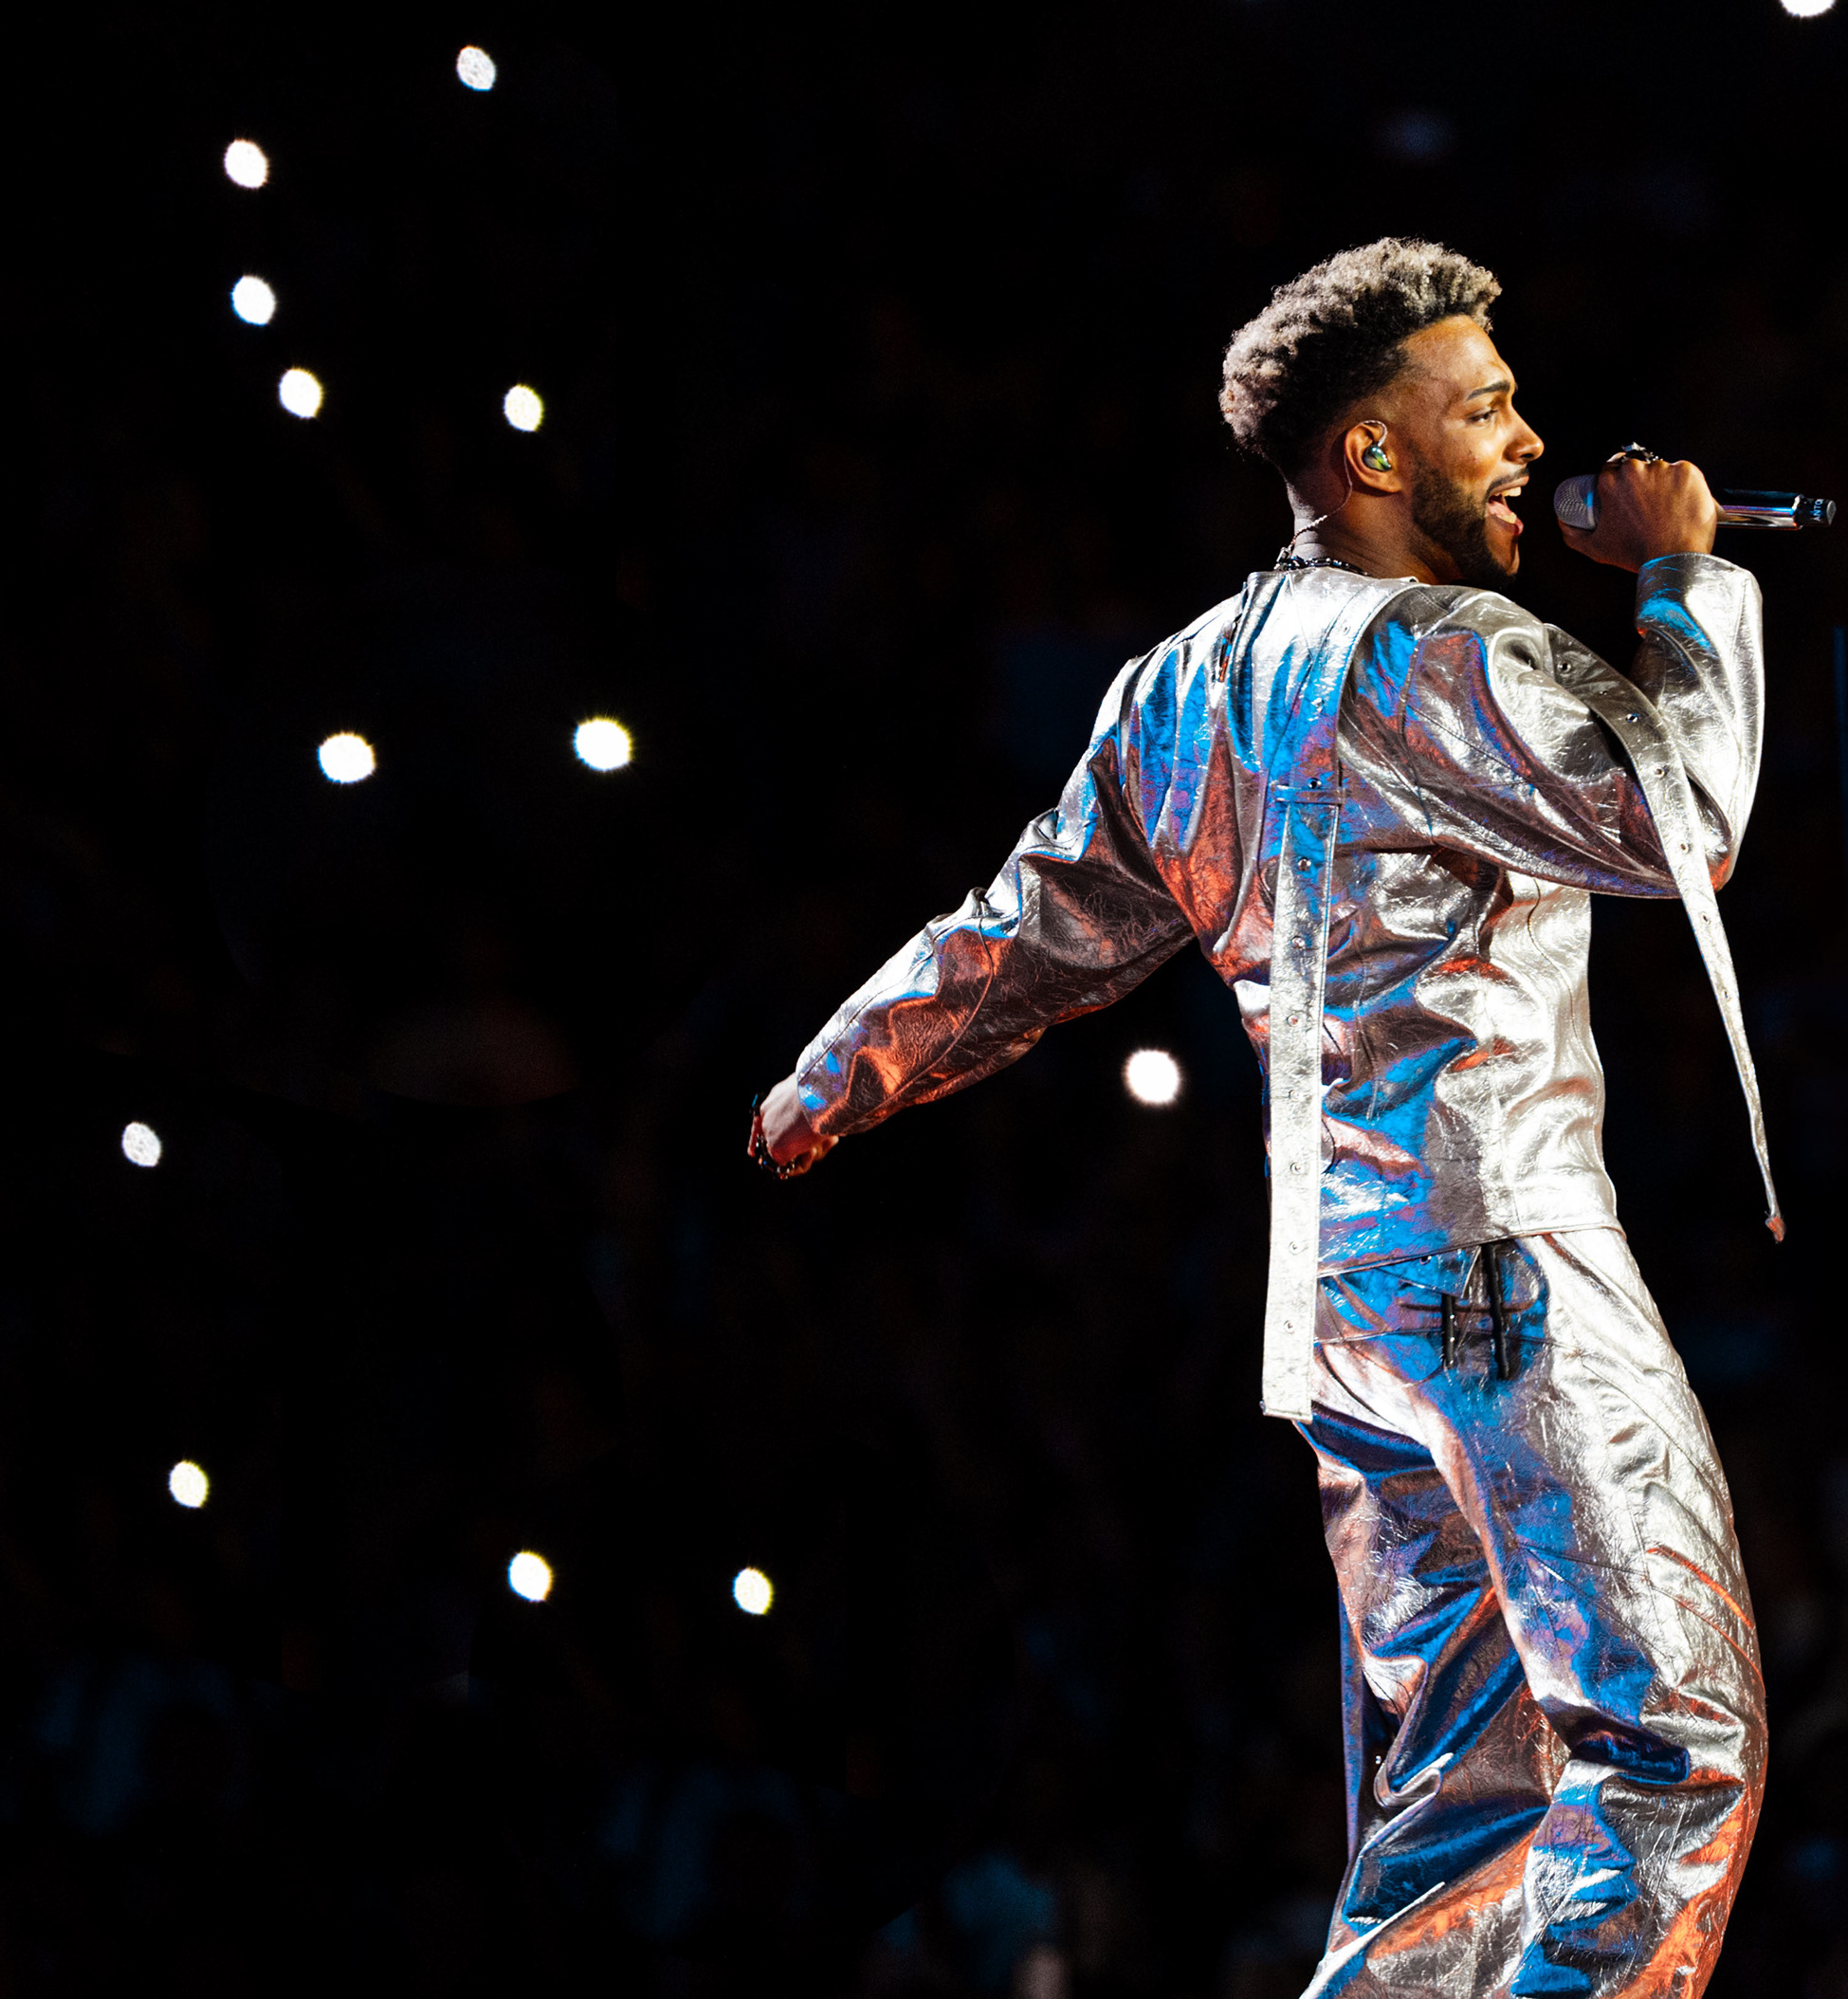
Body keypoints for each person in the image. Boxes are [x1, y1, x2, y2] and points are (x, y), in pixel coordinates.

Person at [753, 239, 1777, 1999]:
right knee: (1667, 1743)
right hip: (1505, 1261)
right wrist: (1688, 580)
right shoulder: (1442, 648)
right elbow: (1674, 819)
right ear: (1372, 457)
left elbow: (1026, 933)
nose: (1532, 439)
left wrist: (830, 1076)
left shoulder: (1178, 681)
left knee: (1457, 1809)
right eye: (1486, 410)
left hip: (1347, 1308)